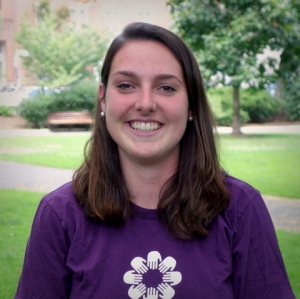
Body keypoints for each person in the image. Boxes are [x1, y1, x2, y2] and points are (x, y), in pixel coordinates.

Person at [14, 22, 295, 299]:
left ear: (192, 105)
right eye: (126, 85)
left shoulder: (240, 210)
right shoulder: (60, 216)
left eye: (166, 88)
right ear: (103, 100)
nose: (146, 103)